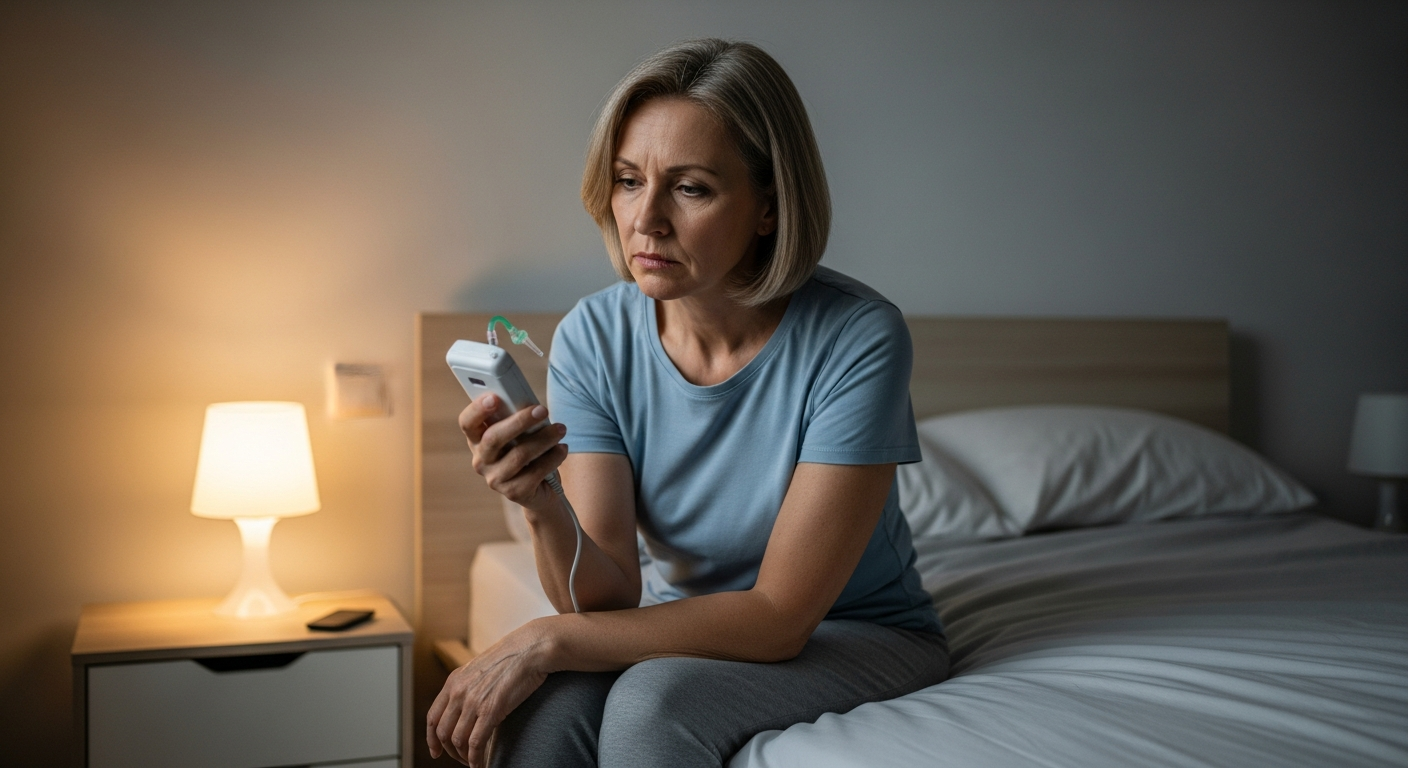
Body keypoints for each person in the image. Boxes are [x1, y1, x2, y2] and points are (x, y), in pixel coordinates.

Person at [427, 38, 948, 768]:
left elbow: (778, 620)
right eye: (629, 180)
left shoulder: (857, 336)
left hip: (854, 631)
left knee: (650, 704)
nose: (646, 220)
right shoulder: (595, 337)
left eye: (691, 188)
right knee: (540, 713)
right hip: (676, 624)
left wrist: (545, 639)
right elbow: (605, 596)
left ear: (768, 206)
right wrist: (541, 499)